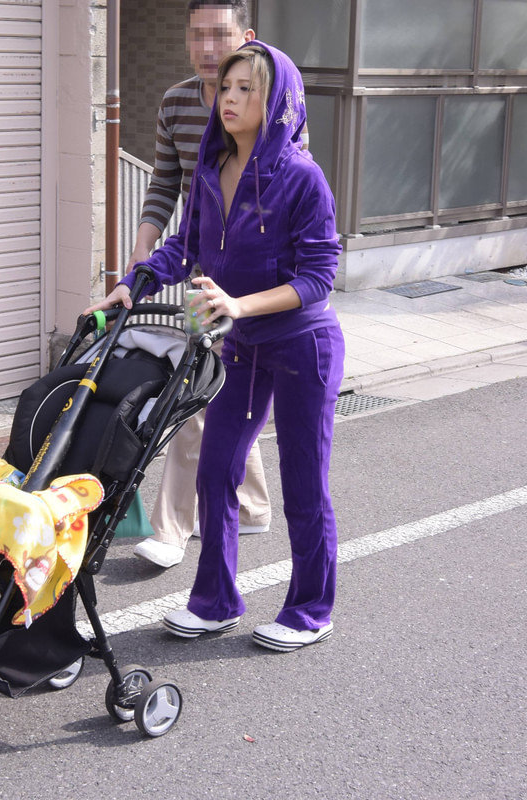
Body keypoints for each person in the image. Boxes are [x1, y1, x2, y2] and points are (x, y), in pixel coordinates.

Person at [85, 41, 344, 652]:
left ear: (276, 101)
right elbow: (186, 246)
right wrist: (134, 282)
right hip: (240, 345)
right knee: (216, 471)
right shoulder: (211, 168)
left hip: (303, 346)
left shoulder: (303, 178)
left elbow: (319, 277)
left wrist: (240, 305)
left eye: (246, 89)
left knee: (304, 485)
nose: (229, 98)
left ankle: (310, 610)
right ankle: (216, 601)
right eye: (226, 87)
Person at [128, 0, 271, 570]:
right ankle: (252, 507)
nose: (208, 49)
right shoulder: (175, 103)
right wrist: (144, 249)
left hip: (257, 282)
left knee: (203, 393)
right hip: (202, 275)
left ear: (246, 37)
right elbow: (165, 184)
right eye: (197, 36)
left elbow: (286, 189)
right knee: (209, 389)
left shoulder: (271, 103)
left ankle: (171, 529)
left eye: (220, 35)